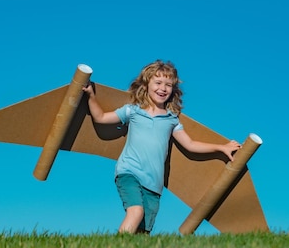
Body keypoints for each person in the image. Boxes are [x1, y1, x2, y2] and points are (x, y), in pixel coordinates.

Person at [82, 60, 242, 234]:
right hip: (129, 172)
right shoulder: (133, 111)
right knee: (136, 211)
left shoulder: (172, 120)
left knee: (142, 233)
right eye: (158, 83)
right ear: (146, 85)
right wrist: (91, 96)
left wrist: (221, 147)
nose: (163, 88)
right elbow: (101, 118)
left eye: (168, 85)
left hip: (154, 184)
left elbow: (190, 145)